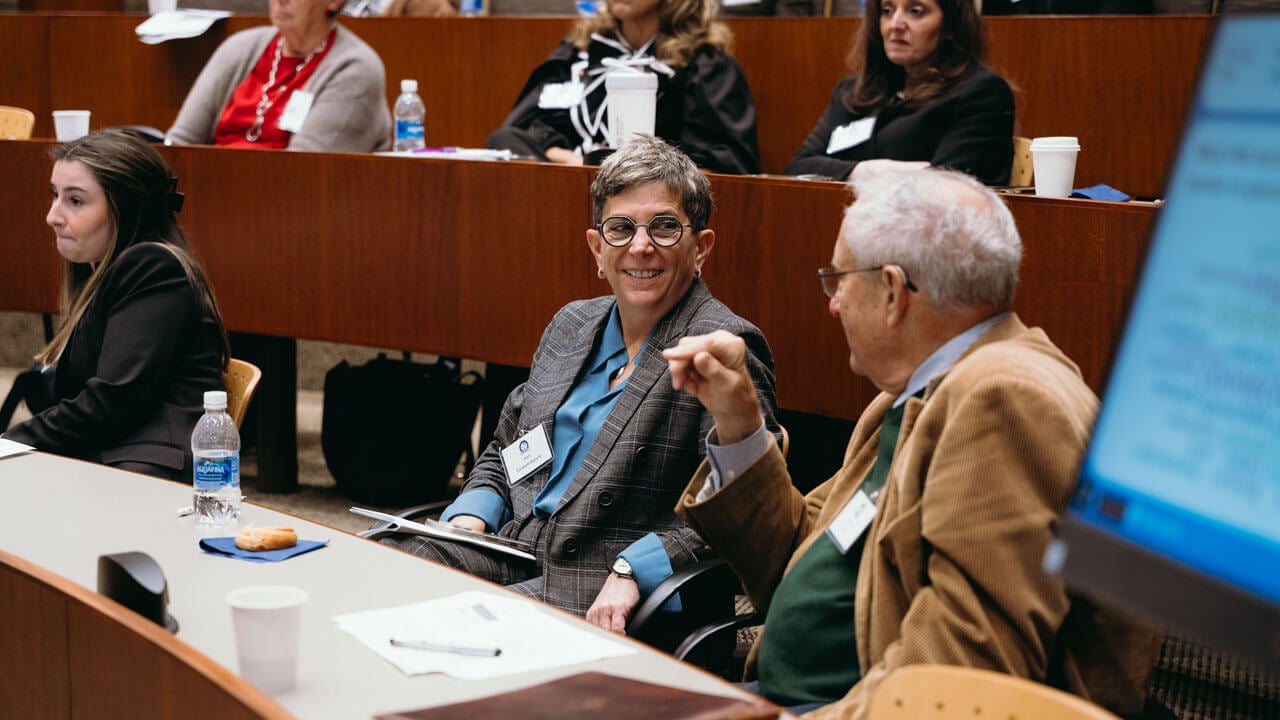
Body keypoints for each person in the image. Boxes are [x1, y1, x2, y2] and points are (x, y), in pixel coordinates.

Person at [663, 166, 1158, 718]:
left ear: (894, 291)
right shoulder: (912, 395)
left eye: (840, 279)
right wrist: (739, 422)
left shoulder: (1004, 399)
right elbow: (795, 561)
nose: (833, 303)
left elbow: (962, 676)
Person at [381, 136, 781, 631]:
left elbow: (742, 501)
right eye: (620, 228)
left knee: (444, 627)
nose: (640, 245)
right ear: (597, 247)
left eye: (664, 227)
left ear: (701, 247)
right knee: (378, 571)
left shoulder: (722, 344)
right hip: (508, 546)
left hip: (608, 583)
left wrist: (638, 567)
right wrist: (471, 518)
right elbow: (505, 447)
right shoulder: (571, 325)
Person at [3, 130, 230, 481]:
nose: (52, 216)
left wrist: (8, 443)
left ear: (125, 207)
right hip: (108, 454)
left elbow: (111, 402)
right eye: (55, 196)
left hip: (143, 470)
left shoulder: (153, 266)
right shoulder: (107, 271)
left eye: (75, 201)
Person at [485, 0, 761, 175]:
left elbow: (726, 167)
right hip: (565, 186)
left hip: (651, 200)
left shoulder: (705, 64)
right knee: (504, 140)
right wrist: (579, 164)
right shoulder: (578, 52)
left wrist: (623, 172)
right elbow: (525, 130)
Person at [785, 0, 1014, 184]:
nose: (895, 24)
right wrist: (868, 171)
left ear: (950, 26)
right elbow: (798, 167)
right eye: (887, 10)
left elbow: (945, 188)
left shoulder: (981, 93)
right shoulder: (855, 91)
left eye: (915, 11)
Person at [166, 0, 391, 152]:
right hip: (208, 193)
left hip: (285, 211)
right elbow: (180, 143)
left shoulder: (355, 69)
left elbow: (302, 172)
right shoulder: (240, 47)